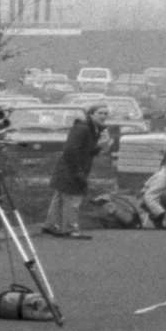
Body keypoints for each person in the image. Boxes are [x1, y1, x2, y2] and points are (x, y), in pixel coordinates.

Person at [43, 102, 111, 239]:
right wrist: (78, 172)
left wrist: (100, 146)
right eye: (100, 113)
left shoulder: (93, 130)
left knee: (60, 198)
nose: (103, 116)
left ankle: (51, 225)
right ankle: (70, 229)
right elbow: (70, 150)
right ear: (91, 114)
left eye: (105, 113)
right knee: (73, 199)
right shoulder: (83, 128)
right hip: (72, 168)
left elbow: (86, 151)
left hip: (69, 168)